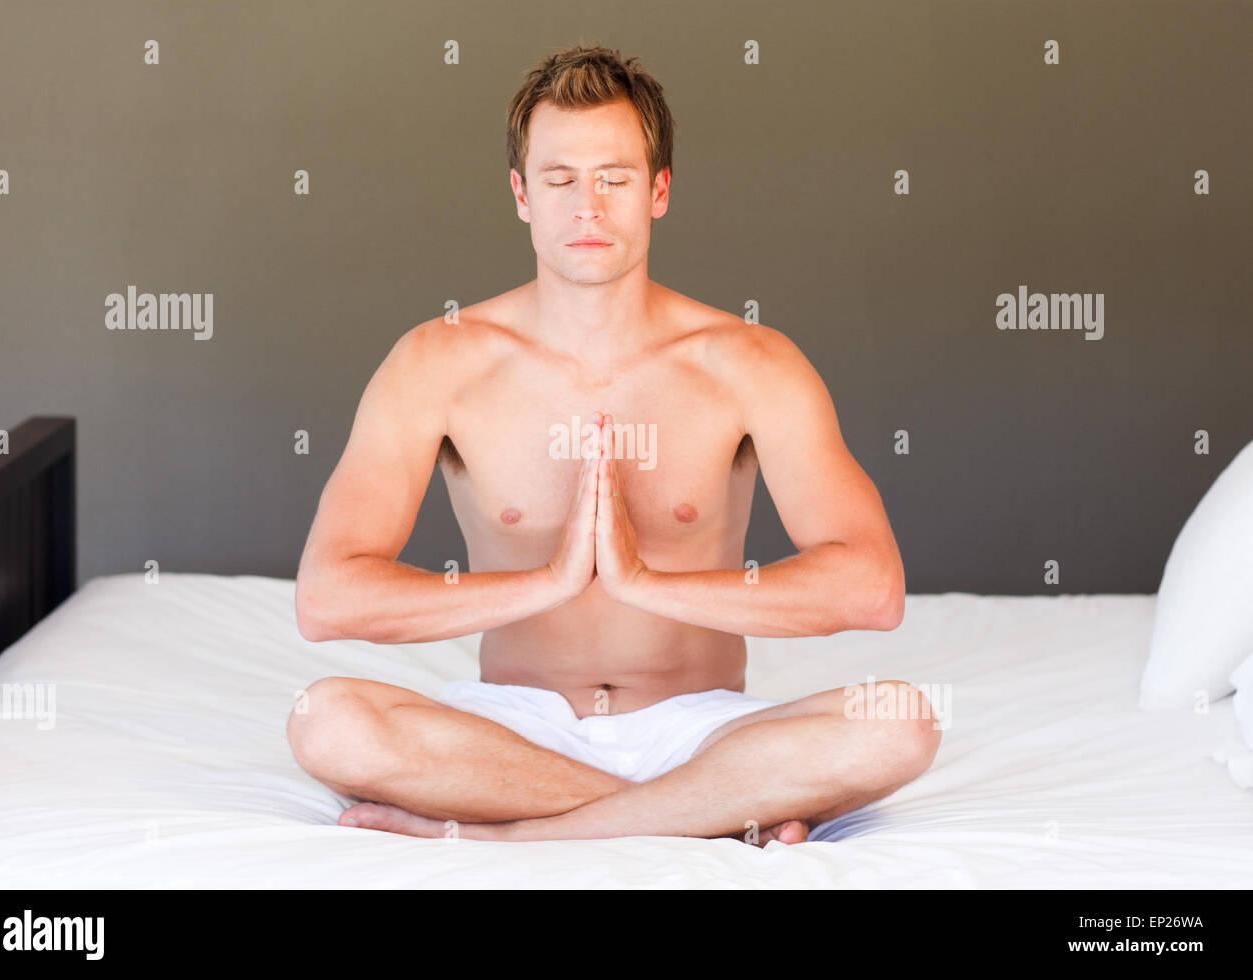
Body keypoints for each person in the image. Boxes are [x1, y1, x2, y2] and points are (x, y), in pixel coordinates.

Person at [286, 43, 938, 845]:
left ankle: (528, 833)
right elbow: (326, 599)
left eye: (615, 178)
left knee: (903, 720)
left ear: (657, 191)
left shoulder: (748, 361)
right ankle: (701, 813)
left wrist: (642, 580)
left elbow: (872, 588)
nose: (586, 207)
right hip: (513, 730)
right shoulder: (437, 361)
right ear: (522, 195)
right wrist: (551, 581)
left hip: (701, 729)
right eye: (560, 180)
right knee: (326, 720)